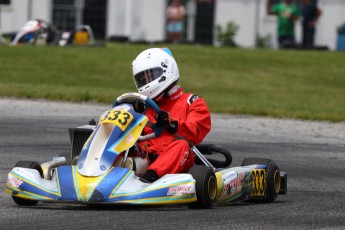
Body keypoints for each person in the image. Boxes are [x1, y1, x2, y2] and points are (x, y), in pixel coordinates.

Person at [131, 47, 211, 182]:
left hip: (177, 162)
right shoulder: (143, 107)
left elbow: (194, 132)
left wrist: (171, 124)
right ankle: (96, 172)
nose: (146, 82)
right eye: (142, 79)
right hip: (145, 159)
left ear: (166, 70)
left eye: (150, 76)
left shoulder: (192, 102)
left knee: (182, 145)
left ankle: (150, 178)